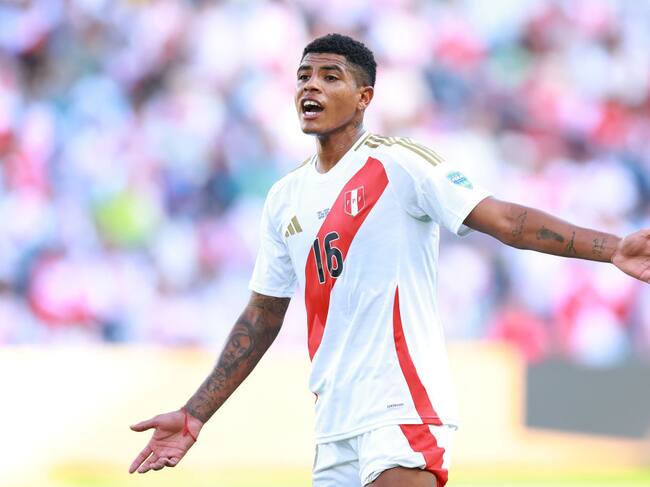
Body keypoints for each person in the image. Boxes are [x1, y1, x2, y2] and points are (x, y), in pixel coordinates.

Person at [128, 34, 650, 487]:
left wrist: (612, 248)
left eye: (330, 76)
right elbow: (262, 315)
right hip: (334, 421)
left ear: (364, 97)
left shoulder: (399, 163)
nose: (311, 86)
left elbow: (507, 220)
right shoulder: (284, 198)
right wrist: (195, 414)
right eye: (303, 76)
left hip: (402, 404)